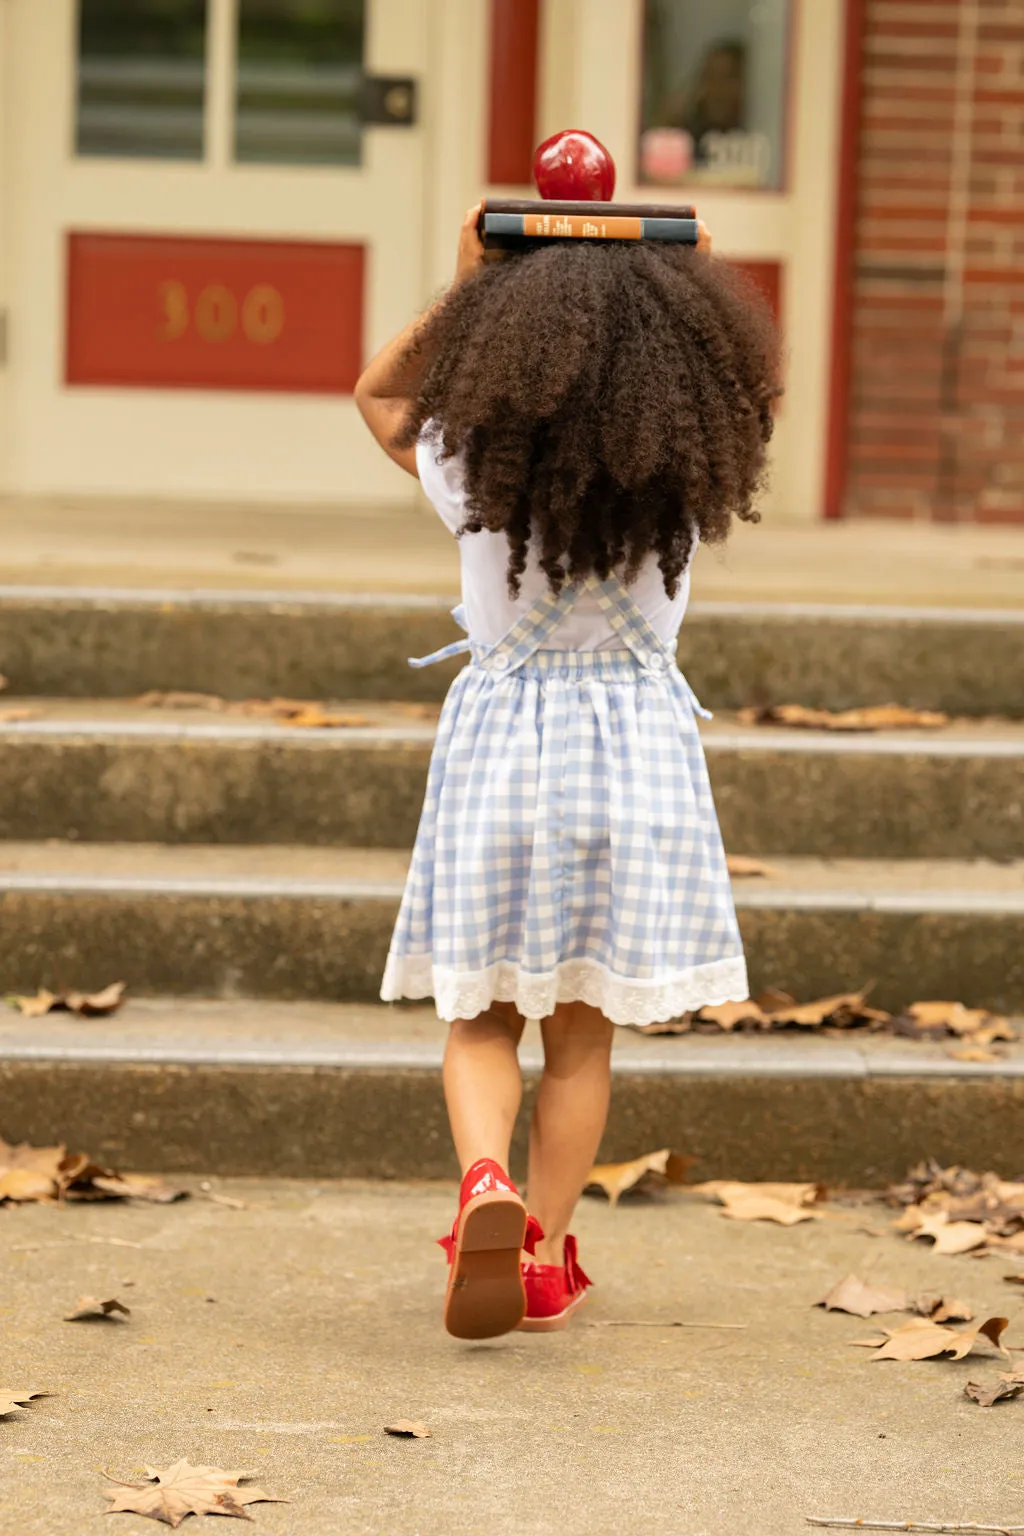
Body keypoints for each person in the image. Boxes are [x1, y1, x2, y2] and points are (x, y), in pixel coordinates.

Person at [355, 205, 780, 1341]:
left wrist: (468, 285)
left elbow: (378, 393)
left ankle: (481, 1184)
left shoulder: (469, 458)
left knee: (482, 1017)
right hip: (632, 755)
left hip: (506, 752)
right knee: (581, 1036)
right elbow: (756, 391)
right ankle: (538, 1248)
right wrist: (690, 279)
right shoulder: (690, 467)